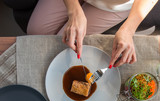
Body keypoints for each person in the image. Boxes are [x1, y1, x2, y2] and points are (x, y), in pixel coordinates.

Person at [27, 0, 158, 67]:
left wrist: (128, 30)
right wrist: (74, 11)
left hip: (113, 5)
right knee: (36, 32)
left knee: (65, 42)